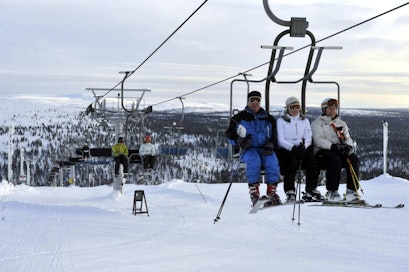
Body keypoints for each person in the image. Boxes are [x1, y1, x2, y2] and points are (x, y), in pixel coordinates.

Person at [226, 90, 281, 206]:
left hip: (264, 148)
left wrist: (271, 144)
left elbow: (275, 136)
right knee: (254, 159)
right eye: (252, 100)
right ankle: (254, 192)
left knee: (272, 159)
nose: (255, 103)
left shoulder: (268, 119)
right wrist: (240, 140)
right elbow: (229, 134)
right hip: (248, 149)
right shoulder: (239, 118)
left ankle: (272, 191)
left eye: (258, 100)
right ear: (248, 101)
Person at [311, 98, 360, 202]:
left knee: (353, 159)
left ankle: (352, 191)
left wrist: (348, 147)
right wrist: (333, 146)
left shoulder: (341, 123)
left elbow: (347, 138)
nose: (333, 110)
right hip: (322, 151)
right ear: (324, 109)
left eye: (334, 108)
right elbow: (318, 140)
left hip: (338, 150)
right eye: (330, 108)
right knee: (335, 159)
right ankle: (332, 191)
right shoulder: (317, 123)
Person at [276, 97, 322, 202]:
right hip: (286, 148)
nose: (295, 110)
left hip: (301, 148)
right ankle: (290, 191)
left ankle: (311, 189)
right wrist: (291, 147)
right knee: (291, 162)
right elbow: (280, 140)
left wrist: (304, 146)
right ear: (287, 108)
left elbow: (308, 135)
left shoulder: (304, 120)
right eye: (292, 107)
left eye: (297, 107)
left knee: (312, 162)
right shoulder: (281, 121)